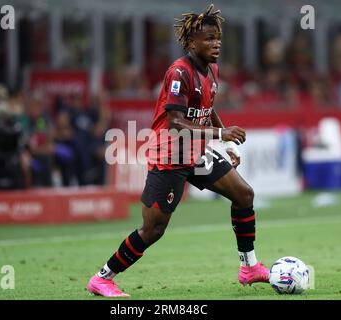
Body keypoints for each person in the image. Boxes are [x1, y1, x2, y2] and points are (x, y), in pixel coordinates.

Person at [86, 4, 269, 297]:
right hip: (170, 155)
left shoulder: (211, 69)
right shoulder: (179, 73)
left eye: (218, 37)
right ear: (191, 42)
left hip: (195, 152)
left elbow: (206, 110)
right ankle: (102, 278)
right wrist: (220, 133)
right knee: (153, 229)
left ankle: (249, 267)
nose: (216, 43)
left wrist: (222, 144)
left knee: (243, 194)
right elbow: (175, 122)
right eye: (209, 38)